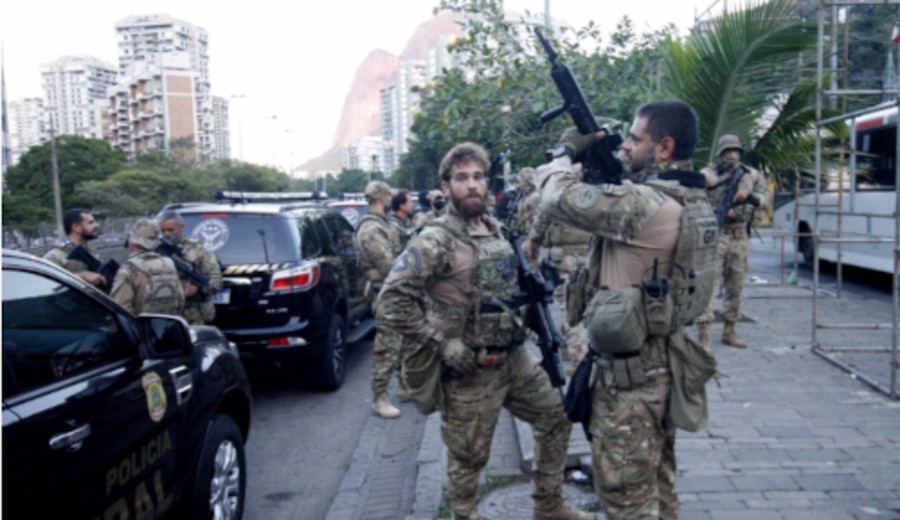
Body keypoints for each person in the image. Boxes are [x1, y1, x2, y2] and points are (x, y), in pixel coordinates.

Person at [377, 142, 593, 520]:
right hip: (470, 370)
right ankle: (465, 514)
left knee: (557, 416)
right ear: (446, 187)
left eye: (478, 176)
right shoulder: (435, 240)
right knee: (468, 457)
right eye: (462, 178)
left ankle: (549, 505)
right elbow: (391, 301)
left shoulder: (498, 230)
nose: (472, 185)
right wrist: (441, 343)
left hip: (515, 360)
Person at [537, 100, 716, 520]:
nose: (626, 147)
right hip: (661, 367)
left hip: (628, 385)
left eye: (636, 139)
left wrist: (565, 152)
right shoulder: (691, 198)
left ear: (664, 148)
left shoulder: (643, 204)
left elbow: (555, 197)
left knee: (625, 498)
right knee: (659, 484)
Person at [695, 135, 770, 350]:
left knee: (735, 285)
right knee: (708, 285)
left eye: (735, 151)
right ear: (720, 153)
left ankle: (729, 330)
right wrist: (715, 211)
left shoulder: (751, 175)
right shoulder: (707, 175)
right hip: (715, 234)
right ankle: (704, 334)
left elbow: (766, 201)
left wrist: (751, 197)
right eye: (728, 151)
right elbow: (695, 202)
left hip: (739, 235)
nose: (732, 155)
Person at [524, 166, 592, 369]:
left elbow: (541, 222)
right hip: (589, 256)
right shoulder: (591, 193)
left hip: (564, 259)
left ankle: (580, 359)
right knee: (584, 303)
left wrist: (532, 243)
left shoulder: (556, 195)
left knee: (569, 308)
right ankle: (567, 348)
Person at [354, 180, 408, 419]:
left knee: (403, 342)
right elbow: (389, 266)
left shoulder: (380, 224)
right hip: (384, 292)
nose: (390, 199)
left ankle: (405, 386)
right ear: (383, 198)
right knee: (387, 348)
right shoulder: (372, 229)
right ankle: (379, 399)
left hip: (392, 290)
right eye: (388, 195)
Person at [157, 210, 223, 325]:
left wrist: (198, 290)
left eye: (170, 230)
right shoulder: (157, 250)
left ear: (181, 227)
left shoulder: (199, 251)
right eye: (163, 230)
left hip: (193, 315)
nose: (166, 234)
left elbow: (216, 283)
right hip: (165, 314)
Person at [111, 219, 185, 316]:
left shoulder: (129, 269)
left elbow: (120, 311)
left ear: (131, 243)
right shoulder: (169, 264)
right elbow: (181, 301)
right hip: (170, 323)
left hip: (143, 325)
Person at [43, 208, 108, 289]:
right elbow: (47, 286)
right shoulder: (55, 256)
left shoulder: (93, 253)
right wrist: (81, 277)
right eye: (90, 223)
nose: (97, 225)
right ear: (76, 227)